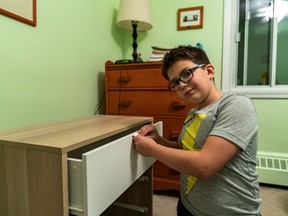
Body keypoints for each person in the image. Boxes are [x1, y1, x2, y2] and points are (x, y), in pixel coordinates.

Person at [132, 45, 261, 215]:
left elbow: (204, 165)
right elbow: (185, 151)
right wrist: (159, 140)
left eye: (186, 74)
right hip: (188, 206)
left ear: (209, 71)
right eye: (175, 83)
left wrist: (152, 149)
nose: (182, 85)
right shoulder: (193, 113)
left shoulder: (235, 105)